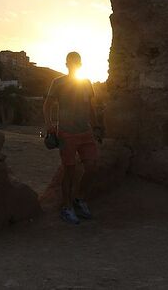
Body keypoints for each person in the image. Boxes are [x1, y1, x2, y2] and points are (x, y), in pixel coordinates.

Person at [43, 51, 103, 224]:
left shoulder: (86, 83)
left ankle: (79, 199)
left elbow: (91, 108)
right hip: (67, 133)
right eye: (71, 62)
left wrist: (97, 126)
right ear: (67, 64)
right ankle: (67, 207)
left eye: (77, 62)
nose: (74, 65)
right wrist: (49, 125)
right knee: (69, 171)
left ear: (80, 64)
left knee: (91, 168)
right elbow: (47, 106)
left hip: (86, 132)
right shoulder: (58, 83)